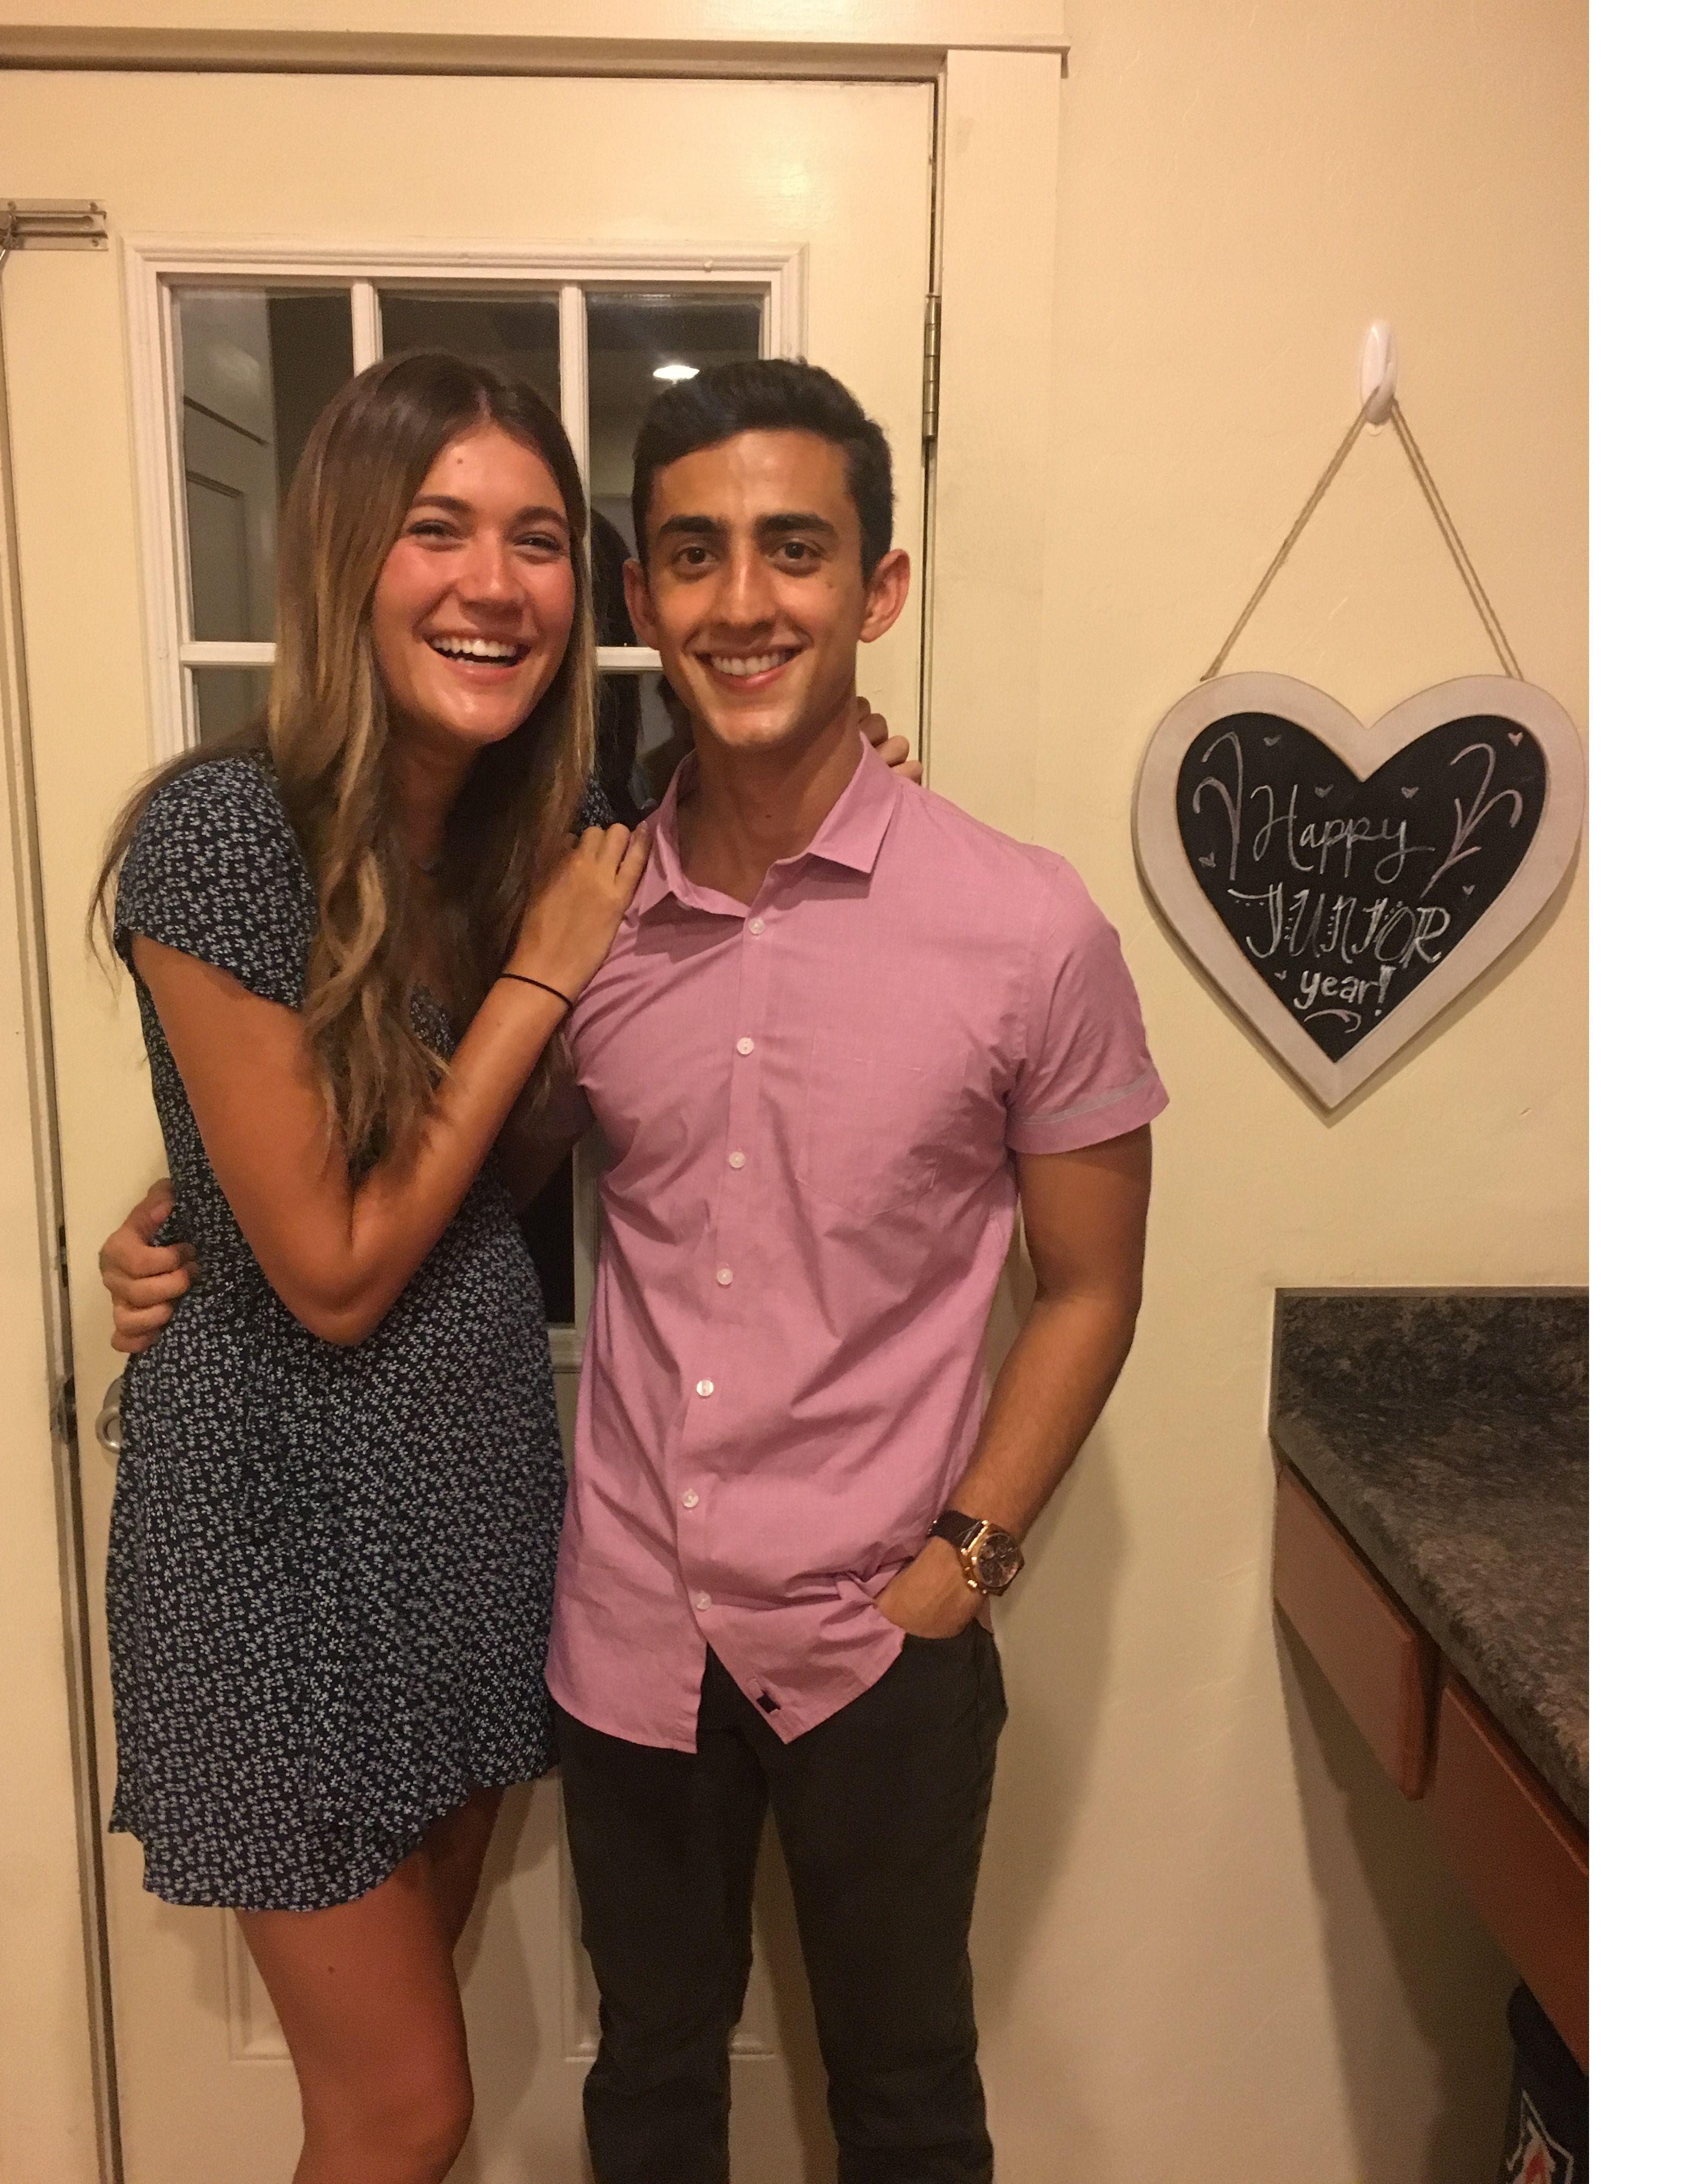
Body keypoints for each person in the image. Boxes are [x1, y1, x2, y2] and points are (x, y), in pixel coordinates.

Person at [109, 358, 1163, 2182]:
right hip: (521, 1600)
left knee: (904, 2094)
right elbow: (366, 1198)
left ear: (878, 589)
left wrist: (967, 1565)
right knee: (567, 2094)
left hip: (799, 1616)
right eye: (693, 556)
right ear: (648, 601)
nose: (743, 601)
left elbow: (1092, 1282)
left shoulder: (982, 916)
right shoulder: (523, 886)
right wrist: (198, 1204)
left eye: (794, 552)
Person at [91, 349, 649, 2184]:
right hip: (272, 1533)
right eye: (441, 529)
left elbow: (479, 1170)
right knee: (405, 2107)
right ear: (345, 554)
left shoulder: (502, 837)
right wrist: (545, 979)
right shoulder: (221, 832)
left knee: (401, 2083)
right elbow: (331, 1271)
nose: (498, 584)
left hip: (464, 1499)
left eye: (540, 540)